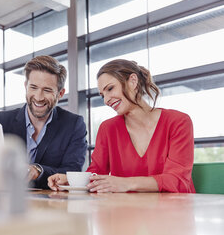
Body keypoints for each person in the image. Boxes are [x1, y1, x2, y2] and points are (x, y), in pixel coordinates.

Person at [48, 59, 195, 193]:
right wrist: (72, 181)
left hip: (174, 212)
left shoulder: (178, 122)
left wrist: (126, 183)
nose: (106, 100)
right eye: (102, 95)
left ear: (132, 81)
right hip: (127, 213)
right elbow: (97, 173)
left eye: (110, 89)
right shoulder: (108, 129)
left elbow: (176, 180)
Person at [0, 55, 87, 189]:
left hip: (52, 203)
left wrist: (39, 170)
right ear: (25, 86)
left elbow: (72, 171)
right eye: (33, 87)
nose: (39, 97)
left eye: (47, 90)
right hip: (5, 198)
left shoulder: (74, 124)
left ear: (60, 94)